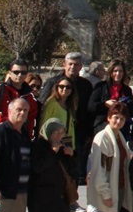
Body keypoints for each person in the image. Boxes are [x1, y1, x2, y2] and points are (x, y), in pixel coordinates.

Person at [40, 52, 94, 183]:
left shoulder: (85, 85)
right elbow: (42, 106)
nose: (72, 67)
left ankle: (71, 197)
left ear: (81, 66)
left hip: (77, 132)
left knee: (72, 167)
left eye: (76, 64)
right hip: (55, 133)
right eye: (70, 64)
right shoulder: (53, 82)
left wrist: (88, 132)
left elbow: (89, 110)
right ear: (64, 65)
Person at [0, 98, 32, 212]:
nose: (22, 113)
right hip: (2, 193)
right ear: (9, 111)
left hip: (20, 192)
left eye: (25, 110)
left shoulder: (24, 134)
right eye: (19, 109)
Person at [88, 102, 133, 212]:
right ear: (109, 118)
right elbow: (99, 169)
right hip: (108, 192)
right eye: (116, 117)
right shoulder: (102, 137)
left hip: (121, 189)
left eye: (122, 119)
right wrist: (106, 195)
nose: (118, 121)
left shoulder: (120, 136)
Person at [0, 59, 39, 141]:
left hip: (20, 137)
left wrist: (29, 137)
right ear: (10, 73)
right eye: (16, 72)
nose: (19, 75)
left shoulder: (29, 96)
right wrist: (7, 122)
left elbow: (31, 118)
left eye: (23, 72)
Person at [28, 118, 76, 212]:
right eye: (56, 132)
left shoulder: (62, 146)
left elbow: (71, 171)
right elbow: (38, 168)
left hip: (61, 202)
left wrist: (71, 155)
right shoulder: (37, 146)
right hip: (43, 203)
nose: (59, 136)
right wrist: (53, 152)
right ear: (48, 131)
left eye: (62, 133)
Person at [88, 60, 133, 137]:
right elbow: (91, 106)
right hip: (103, 124)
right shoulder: (101, 86)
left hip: (121, 126)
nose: (118, 74)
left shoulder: (127, 89)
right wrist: (105, 104)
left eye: (121, 71)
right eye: (115, 71)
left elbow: (132, 111)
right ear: (110, 72)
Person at [38, 73, 77, 150]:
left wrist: (70, 147)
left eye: (68, 87)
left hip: (65, 145)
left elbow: (69, 129)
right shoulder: (52, 103)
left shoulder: (70, 106)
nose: (65, 89)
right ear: (57, 88)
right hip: (51, 145)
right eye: (61, 87)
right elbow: (44, 125)